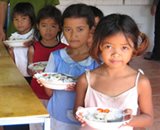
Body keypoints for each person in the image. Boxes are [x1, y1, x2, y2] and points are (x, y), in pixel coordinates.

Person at [74, 14, 153, 130]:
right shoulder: (86, 80)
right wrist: (79, 114)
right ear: (99, 46)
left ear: (134, 49)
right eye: (108, 46)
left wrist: (129, 120)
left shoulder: (140, 82)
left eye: (124, 48)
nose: (116, 54)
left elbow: (148, 118)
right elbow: (77, 109)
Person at [43, 3, 99, 130]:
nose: (73, 35)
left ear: (91, 30)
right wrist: (46, 82)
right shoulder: (56, 56)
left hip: (86, 122)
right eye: (68, 29)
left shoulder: (97, 60)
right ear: (62, 29)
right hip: (57, 118)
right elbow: (49, 91)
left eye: (80, 29)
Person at [28, 5, 67, 130]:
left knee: (53, 125)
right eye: (44, 25)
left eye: (53, 26)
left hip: (56, 95)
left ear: (59, 27)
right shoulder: (33, 47)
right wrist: (36, 72)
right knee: (35, 125)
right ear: (38, 26)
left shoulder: (64, 49)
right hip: (36, 93)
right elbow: (29, 70)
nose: (48, 30)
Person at [6, 2, 35, 84]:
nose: (19, 22)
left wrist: (34, 43)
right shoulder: (12, 38)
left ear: (31, 19)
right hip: (17, 74)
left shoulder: (35, 35)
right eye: (16, 19)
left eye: (23, 18)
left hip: (33, 75)